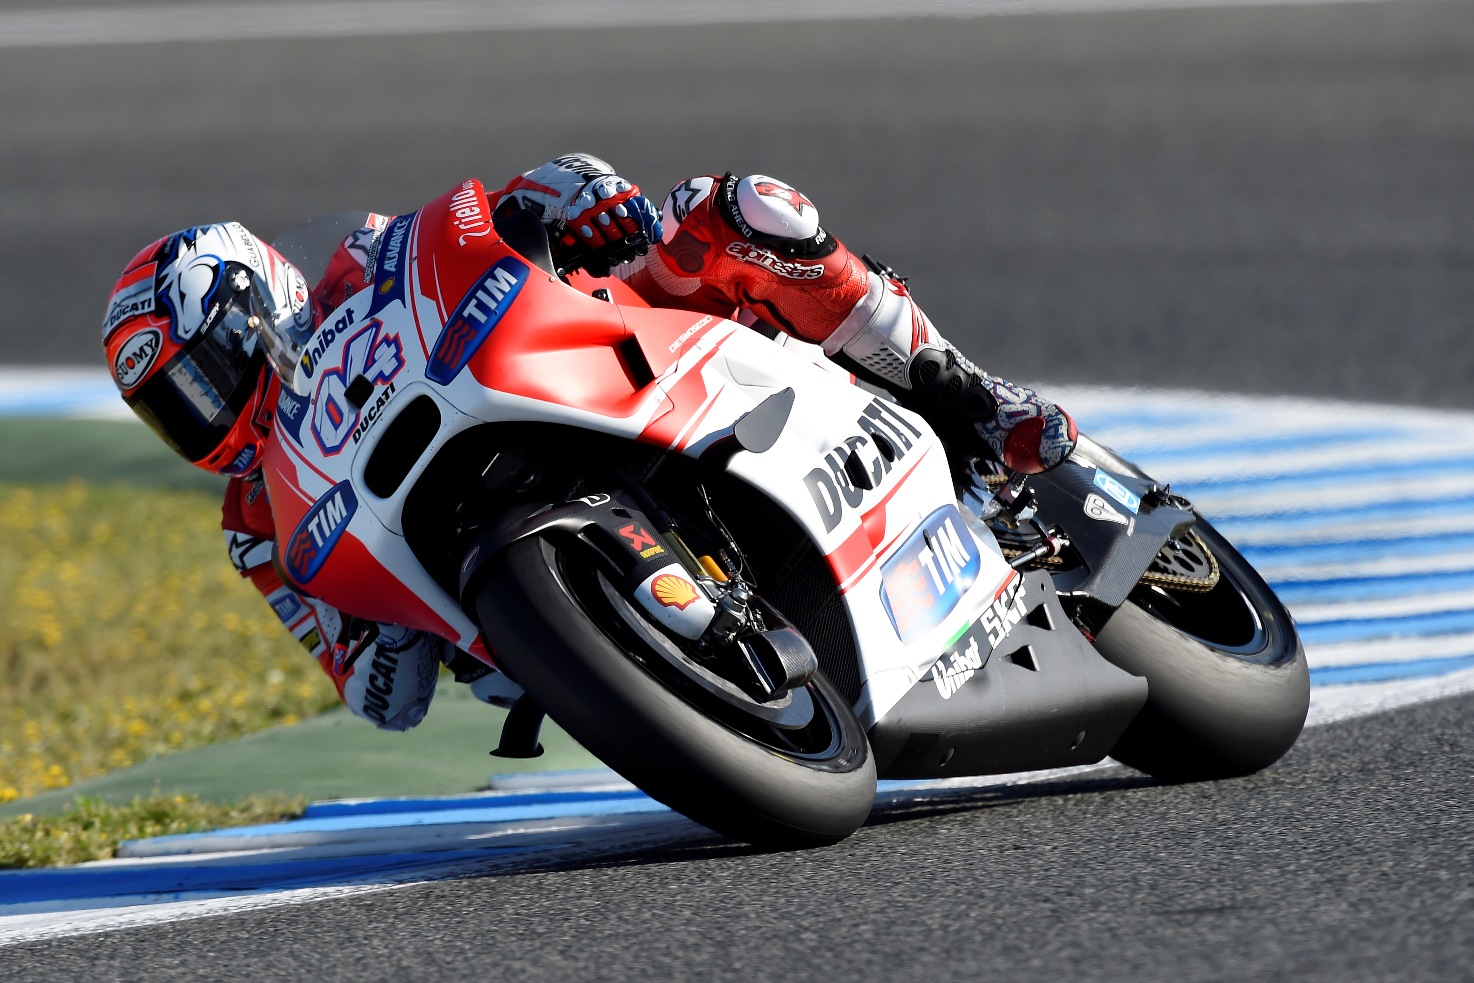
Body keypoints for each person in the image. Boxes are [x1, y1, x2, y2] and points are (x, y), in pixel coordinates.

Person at [100, 154, 1077, 733]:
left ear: (256, 305)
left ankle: (972, 398)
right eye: (174, 407)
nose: (204, 412)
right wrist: (384, 627)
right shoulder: (259, 522)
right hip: (519, 605)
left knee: (736, 210)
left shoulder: (361, 260)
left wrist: (573, 193)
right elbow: (376, 696)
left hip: (601, 364)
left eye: (204, 375)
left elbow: (488, 223)